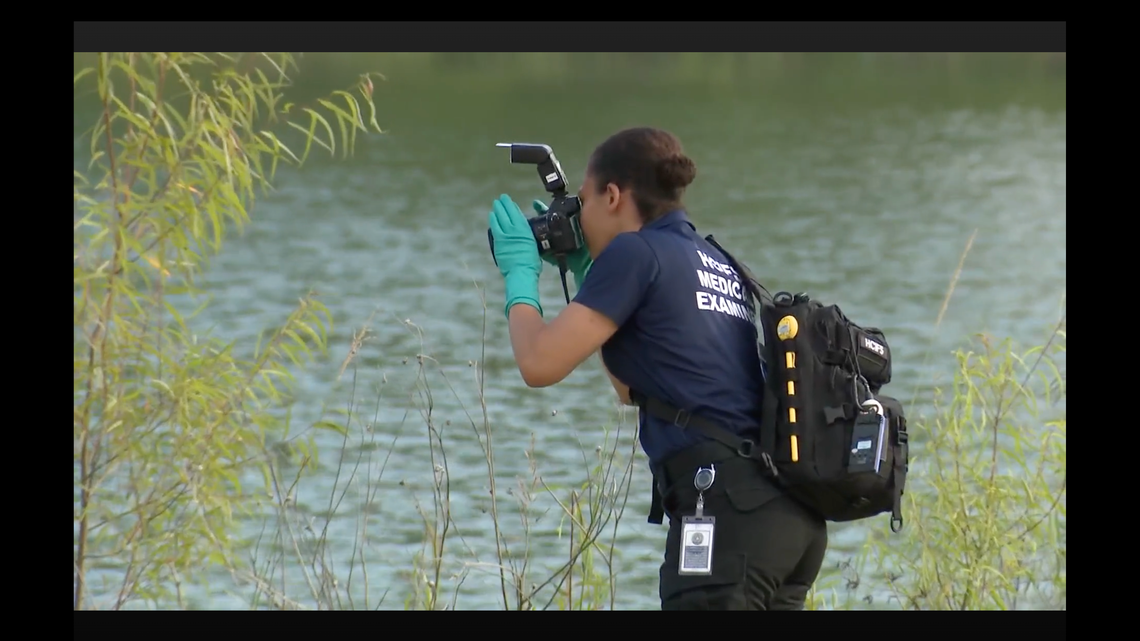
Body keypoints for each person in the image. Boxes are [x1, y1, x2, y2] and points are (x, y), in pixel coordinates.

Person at [486, 126, 828, 610]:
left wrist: (519, 274)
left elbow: (539, 364)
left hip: (726, 511)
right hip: (786, 518)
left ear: (612, 195)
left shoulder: (635, 252)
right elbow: (632, 387)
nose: (577, 218)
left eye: (581, 202)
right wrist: (589, 276)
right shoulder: (712, 257)